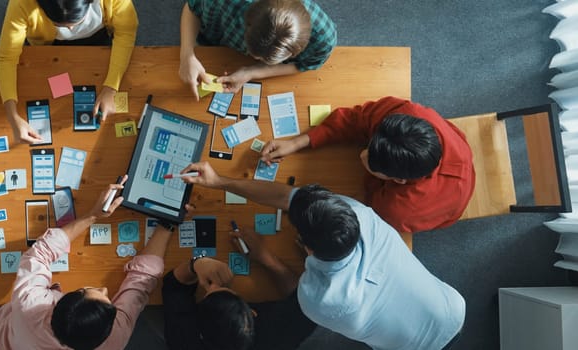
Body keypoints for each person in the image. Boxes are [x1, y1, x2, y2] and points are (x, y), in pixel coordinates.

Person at [180, 161, 465, 349]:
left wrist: (266, 256)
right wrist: (219, 182)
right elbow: (286, 197)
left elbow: (297, 294)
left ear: (307, 248)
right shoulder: (359, 214)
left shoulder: (321, 301)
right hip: (451, 309)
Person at [0, 176, 176, 349]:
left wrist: (92, 216)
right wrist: (168, 222)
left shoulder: (30, 305)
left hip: (1, 335)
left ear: (56, 304)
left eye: (87, 290)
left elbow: (39, 253)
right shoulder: (115, 339)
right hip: (18, 335)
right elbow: (140, 283)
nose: (105, 289)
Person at [260, 96, 475, 234]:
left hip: (447, 206)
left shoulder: (398, 210)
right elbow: (356, 119)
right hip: (459, 152)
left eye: (371, 165)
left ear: (398, 181)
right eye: (369, 145)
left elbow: (371, 203)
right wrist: (297, 142)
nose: (362, 155)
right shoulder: (408, 114)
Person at [0, 0, 138, 144]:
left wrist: (111, 88)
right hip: (49, 47)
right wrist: (12, 116)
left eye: (76, 22)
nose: (70, 29)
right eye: (58, 24)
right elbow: (7, 57)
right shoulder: (21, 4)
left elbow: (126, 32)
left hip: (99, 39)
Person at [162, 225, 316, 350]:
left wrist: (196, 264)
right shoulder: (280, 336)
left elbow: (173, 287)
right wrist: (265, 257)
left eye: (209, 291)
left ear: (199, 331)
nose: (215, 284)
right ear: (252, 313)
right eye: (229, 292)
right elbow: (305, 298)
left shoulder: (184, 341)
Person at [179, 0, 337, 99]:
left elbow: (303, 65)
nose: (255, 60)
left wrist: (251, 72)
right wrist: (187, 55)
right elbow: (192, 8)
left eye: (264, 61)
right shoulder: (223, 2)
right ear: (247, 22)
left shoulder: (324, 39)